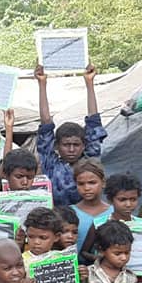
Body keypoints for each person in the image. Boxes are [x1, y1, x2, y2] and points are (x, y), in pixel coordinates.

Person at [35, 63, 106, 206]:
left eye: (76, 144)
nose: (72, 149)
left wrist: (89, 83)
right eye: (66, 145)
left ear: (84, 145)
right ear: (57, 146)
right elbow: (46, 125)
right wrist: (42, 83)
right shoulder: (51, 165)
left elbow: (93, 122)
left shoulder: (90, 162)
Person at [70, 159, 112, 263]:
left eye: (92, 183)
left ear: (103, 183)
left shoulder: (114, 212)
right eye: (81, 184)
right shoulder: (70, 213)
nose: (87, 188)